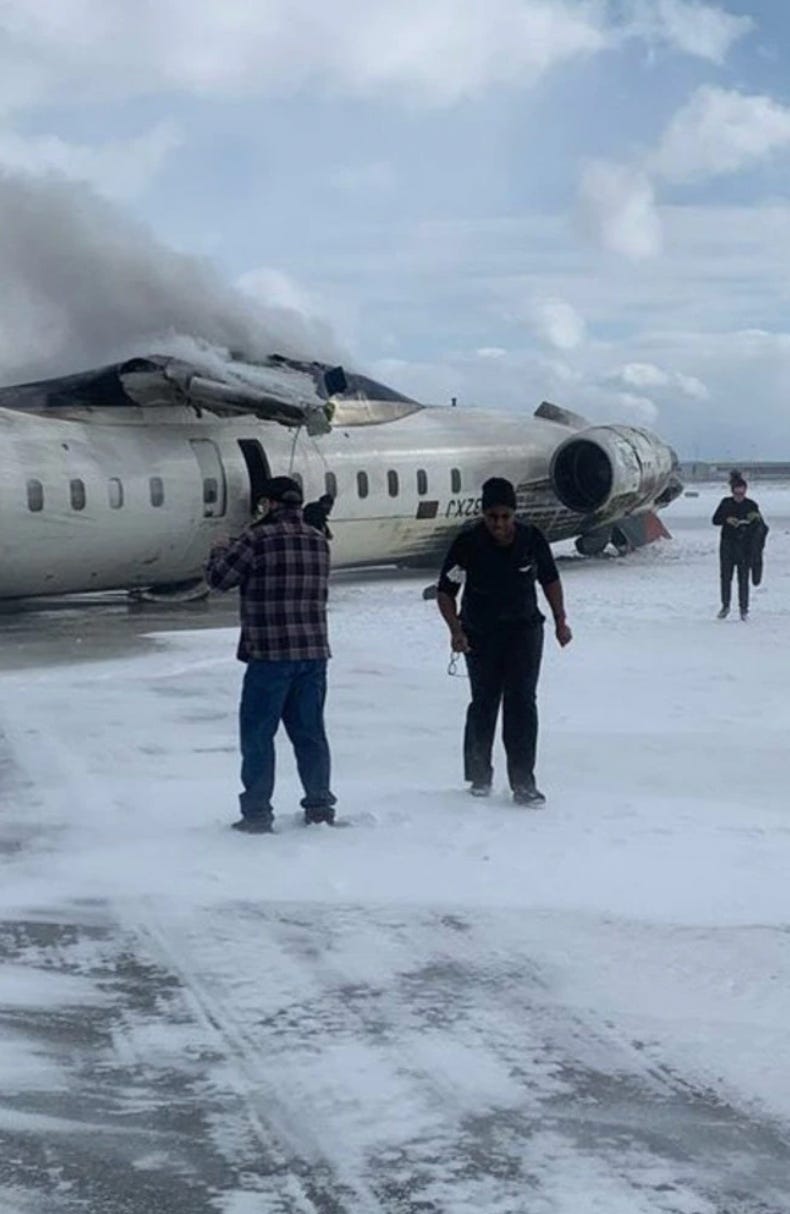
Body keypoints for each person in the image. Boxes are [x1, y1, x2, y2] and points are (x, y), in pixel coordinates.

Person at [204, 476, 336, 832]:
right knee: (310, 734)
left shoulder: (257, 539)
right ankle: (320, 807)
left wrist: (219, 549)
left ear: (270, 504)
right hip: (313, 653)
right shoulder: (318, 541)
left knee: (259, 736)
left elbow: (219, 580)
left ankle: (257, 813)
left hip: (270, 655)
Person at [436, 476, 572, 807]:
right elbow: (446, 591)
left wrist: (560, 620)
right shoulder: (468, 543)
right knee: (484, 703)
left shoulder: (531, 539)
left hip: (524, 632)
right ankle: (479, 775)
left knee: (522, 703)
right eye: (492, 517)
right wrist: (455, 630)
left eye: (505, 516)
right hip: (480, 634)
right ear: (483, 515)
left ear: (514, 514)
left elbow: (550, 580)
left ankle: (523, 782)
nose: (498, 524)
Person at [712, 477, 767, 621]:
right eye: (737, 494)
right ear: (732, 492)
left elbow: (761, 527)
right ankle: (725, 606)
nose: (739, 497)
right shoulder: (726, 503)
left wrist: (755, 519)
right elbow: (715, 520)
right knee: (726, 576)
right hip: (728, 544)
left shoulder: (751, 505)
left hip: (745, 545)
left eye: (742, 494)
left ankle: (744, 609)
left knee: (743, 578)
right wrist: (727, 519)